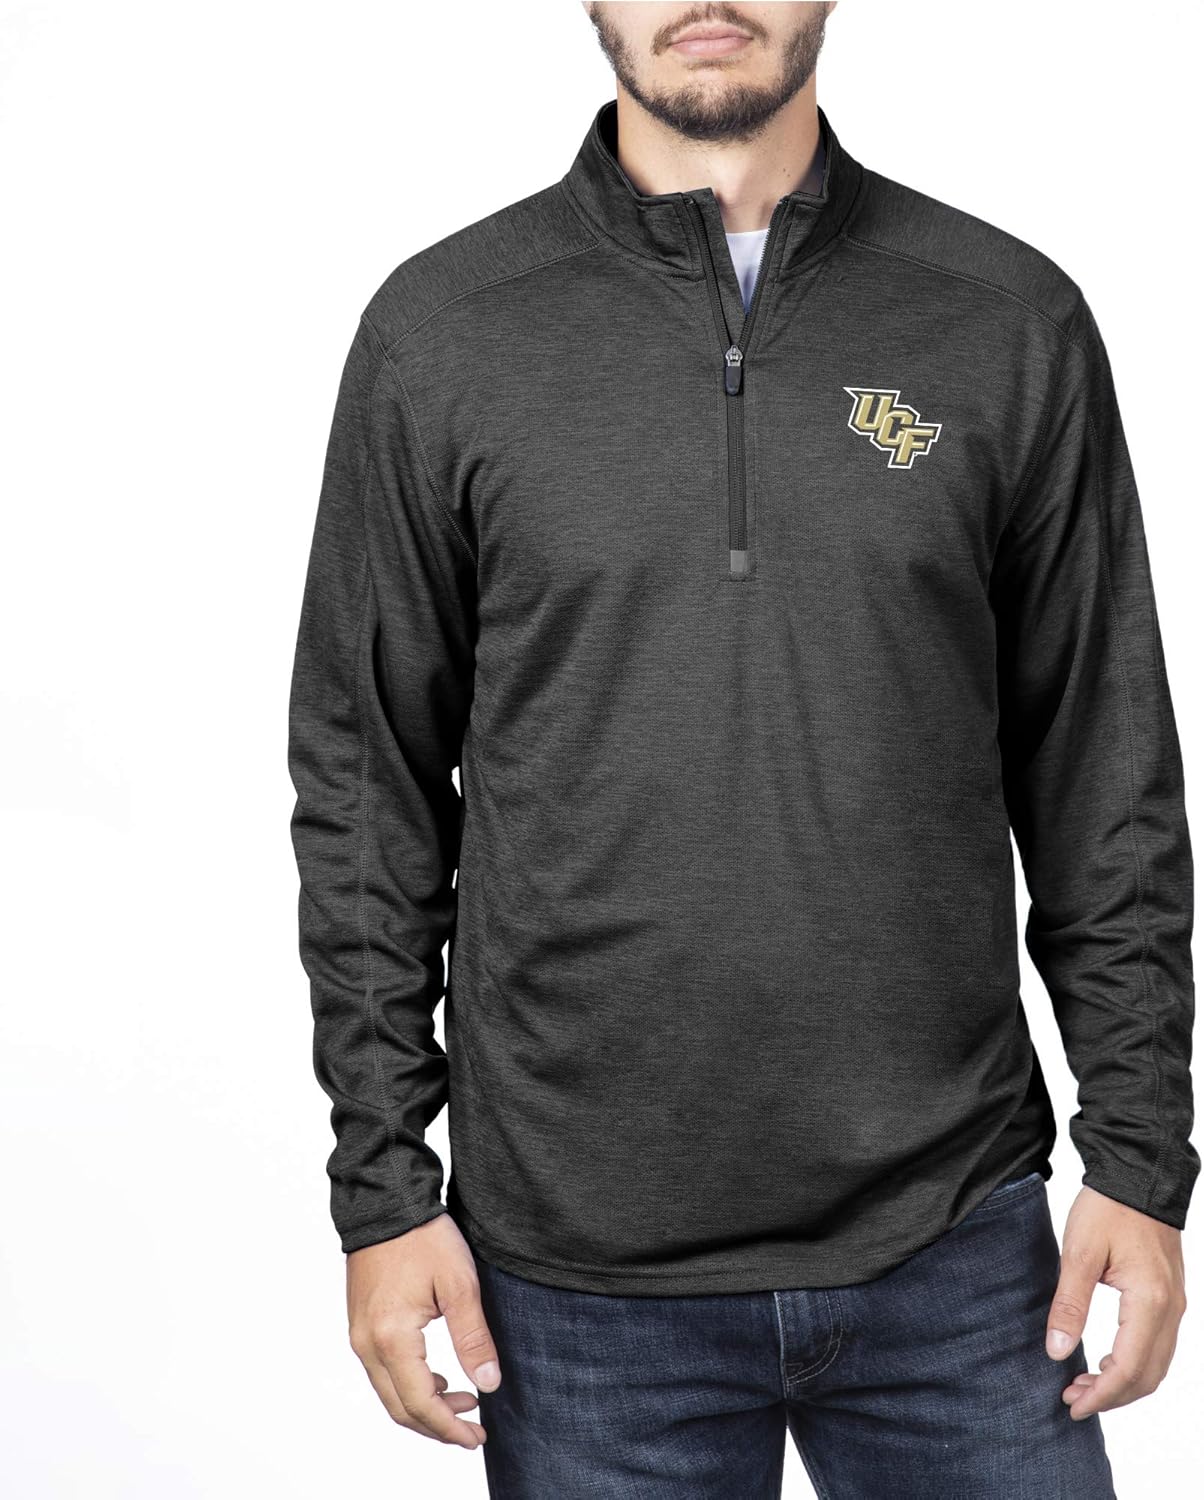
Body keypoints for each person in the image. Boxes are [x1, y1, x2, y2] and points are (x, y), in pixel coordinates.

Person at [286, 3, 1196, 1494]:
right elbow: (366, 786)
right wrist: (383, 1192)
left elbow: (1105, 767)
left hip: (958, 1248)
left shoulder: (1004, 319)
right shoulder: (442, 332)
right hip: (574, 1284)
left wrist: (1144, 1160)